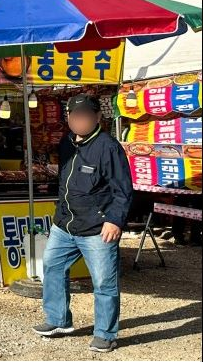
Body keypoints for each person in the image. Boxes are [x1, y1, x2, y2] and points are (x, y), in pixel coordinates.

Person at [34, 94, 133, 353]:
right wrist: (59, 214)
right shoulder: (66, 143)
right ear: (68, 118)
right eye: (74, 116)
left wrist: (114, 220)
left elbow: (123, 190)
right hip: (64, 225)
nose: (79, 121)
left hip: (97, 230)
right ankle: (58, 320)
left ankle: (105, 334)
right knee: (52, 267)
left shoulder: (108, 147)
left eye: (85, 116)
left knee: (104, 282)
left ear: (97, 117)